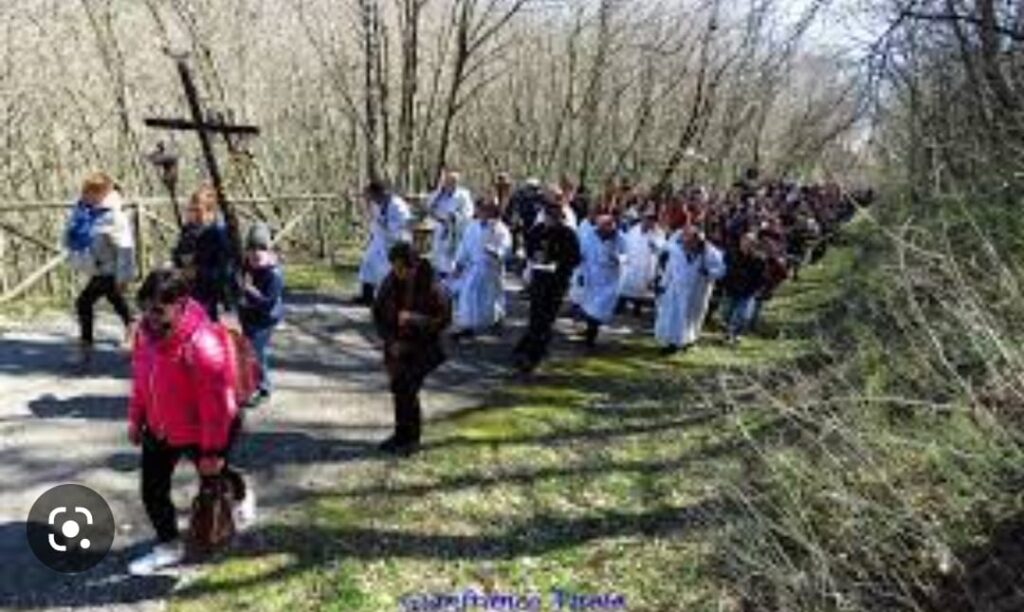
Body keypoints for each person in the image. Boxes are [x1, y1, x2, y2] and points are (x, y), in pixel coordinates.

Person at [127, 269, 253, 576]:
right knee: (152, 490)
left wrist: (212, 453)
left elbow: (218, 410)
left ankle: (240, 494)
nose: (149, 315)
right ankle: (169, 546)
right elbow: (141, 382)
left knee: (214, 479)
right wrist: (135, 420)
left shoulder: (202, 346)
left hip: (203, 432)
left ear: (181, 304)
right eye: (144, 304)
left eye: (157, 308)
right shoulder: (145, 334)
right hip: (160, 429)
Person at [372, 243, 452, 455]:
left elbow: (443, 320)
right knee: (398, 387)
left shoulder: (432, 285)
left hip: (425, 346)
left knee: (408, 387)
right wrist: (390, 341)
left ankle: (412, 439)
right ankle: (400, 435)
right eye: (394, 267)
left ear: (413, 266)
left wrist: (415, 320)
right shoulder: (390, 281)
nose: (397, 272)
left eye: (401, 268)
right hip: (397, 345)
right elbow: (378, 313)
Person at [64, 172, 136, 368]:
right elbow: (73, 237)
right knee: (117, 302)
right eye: (85, 191)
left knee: (83, 302)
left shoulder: (114, 216)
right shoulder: (83, 212)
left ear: (102, 194)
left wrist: (124, 277)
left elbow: (126, 248)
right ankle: (134, 330)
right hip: (97, 269)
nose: (85, 195)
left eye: (90, 192)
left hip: (111, 269)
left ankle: (86, 347)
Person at [512, 195, 582, 374]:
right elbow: (528, 249)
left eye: (555, 216)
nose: (552, 219)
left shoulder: (568, 234)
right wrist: (534, 256)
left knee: (547, 319)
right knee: (536, 317)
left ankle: (533, 356)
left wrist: (558, 263)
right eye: (549, 215)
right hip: (539, 279)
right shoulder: (537, 230)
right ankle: (529, 349)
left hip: (557, 283)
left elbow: (575, 258)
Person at [654, 222, 726, 355]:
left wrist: (708, 272)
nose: (687, 244)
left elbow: (722, 270)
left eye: (691, 240)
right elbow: (670, 267)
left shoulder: (709, 252)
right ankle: (673, 344)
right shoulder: (676, 249)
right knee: (674, 317)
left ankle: (688, 341)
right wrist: (663, 284)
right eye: (685, 239)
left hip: (697, 292)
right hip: (676, 290)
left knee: (692, 319)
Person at [449, 199, 513, 341]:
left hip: (491, 269)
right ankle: (467, 327)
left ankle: (497, 320)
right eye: (479, 210)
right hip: (474, 268)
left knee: (492, 297)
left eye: (484, 210)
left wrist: (496, 251)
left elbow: (506, 248)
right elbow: (464, 246)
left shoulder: (499, 229)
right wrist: (459, 263)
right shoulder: (472, 226)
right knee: (468, 296)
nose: (480, 213)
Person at [238, 223, 284, 407]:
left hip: (265, 319)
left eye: (262, 248)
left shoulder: (274, 275)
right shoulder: (246, 267)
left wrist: (249, 290)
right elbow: (237, 283)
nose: (256, 253)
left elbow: (267, 303)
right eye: (252, 248)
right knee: (248, 352)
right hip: (248, 317)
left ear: (268, 251)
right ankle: (250, 384)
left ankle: (264, 388)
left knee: (257, 353)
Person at [173, 185, 235, 321]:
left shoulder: (219, 234)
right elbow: (178, 253)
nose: (193, 214)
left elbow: (226, 272)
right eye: (191, 209)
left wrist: (198, 272)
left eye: (197, 210)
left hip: (212, 297)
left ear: (210, 211)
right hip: (189, 292)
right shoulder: (188, 230)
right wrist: (179, 262)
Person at [354, 179, 412, 305]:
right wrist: (373, 236)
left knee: (386, 270)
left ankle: (391, 299)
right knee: (367, 263)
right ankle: (367, 296)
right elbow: (375, 222)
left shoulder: (397, 204)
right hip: (380, 240)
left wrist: (386, 225)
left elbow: (406, 223)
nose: (370, 198)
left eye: (370, 195)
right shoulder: (376, 204)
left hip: (397, 241)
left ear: (378, 193)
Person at [578, 214, 627, 347]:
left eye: (609, 228)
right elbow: (581, 255)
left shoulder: (620, 238)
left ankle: (591, 335)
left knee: (599, 308)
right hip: (591, 276)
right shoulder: (588, 236)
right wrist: (581, 274)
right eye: (603, 228)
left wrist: (618, 258)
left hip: (610, 279)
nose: (606, 232)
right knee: (590, 306)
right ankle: (590, 329)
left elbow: (626, 256)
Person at [426, 169, 474, 279]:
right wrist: (438, 196)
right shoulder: (438, 194)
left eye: (453, 181)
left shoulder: (464, 195)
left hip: (455, 230)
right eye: (448, 181)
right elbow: (429, 207)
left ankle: (451, 277)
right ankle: (438, 275)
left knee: (452, 258)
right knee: (438, 255)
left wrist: (455, 217)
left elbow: (468, 213)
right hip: (439, 228)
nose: (450, 183)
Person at [721, 232, 768, 344]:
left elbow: (762, 277)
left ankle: (733, 335)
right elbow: (723, 269)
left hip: (747, 291)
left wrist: (757, 289)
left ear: (754, 244)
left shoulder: (759, 259)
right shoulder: (731, 254)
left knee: (742, 315)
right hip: (731, 289)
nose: (746, 245)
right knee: (726, 313)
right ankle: (730, 330)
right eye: (744, 242)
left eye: (750, 243)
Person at [619, 208, 666, 316]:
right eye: (647, 219)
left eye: (652, 220)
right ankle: (621, 306)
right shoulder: (634, 230)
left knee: (642, 290)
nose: (649, 222)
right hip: (633, 261)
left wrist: (655, 244)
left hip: (647, 264)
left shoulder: (658, 232)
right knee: (627, 285)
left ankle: (637, 308)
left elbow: (662, 247)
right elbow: (628, 244)